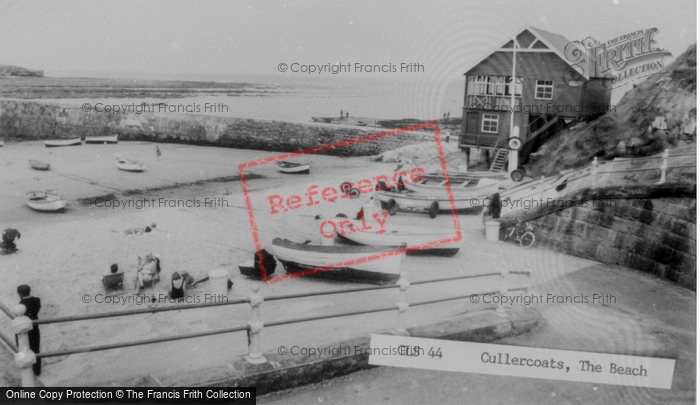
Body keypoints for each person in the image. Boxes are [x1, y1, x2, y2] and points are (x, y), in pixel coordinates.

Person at [15, 285, 41, 376]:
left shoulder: (21, 304)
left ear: (20, 294)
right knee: (36, 348)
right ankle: (37, 370)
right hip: (34, 327)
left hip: (25, 328)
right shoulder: (37, 300)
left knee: (24, 348)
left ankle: (28, 368)